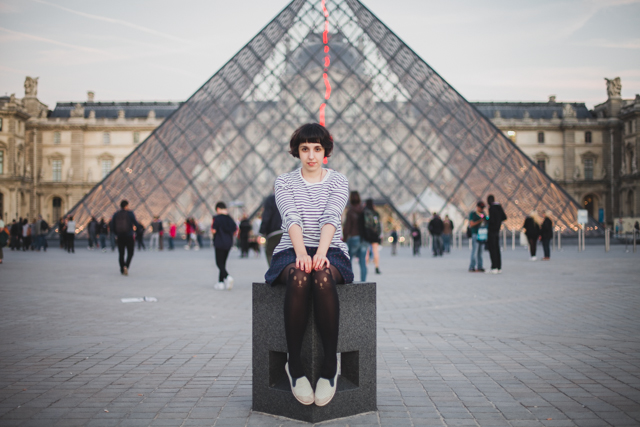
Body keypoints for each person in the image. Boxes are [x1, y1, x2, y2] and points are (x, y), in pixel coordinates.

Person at [264, 123, 353, 407]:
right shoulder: (284, 182)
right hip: (292, 249)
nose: (311, 155)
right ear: (297, 151)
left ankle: (329, 367)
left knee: (323, 277)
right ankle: (295, 367)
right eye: (305, 149)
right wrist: (302, 253)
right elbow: (291, 217)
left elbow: (331, 217)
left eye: (317, 148)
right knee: (301, 277)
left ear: (325, 150)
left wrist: (321, 253)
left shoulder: (339, 181)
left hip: (332, 249)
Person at [212, 202, 238, 290]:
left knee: (219, 263)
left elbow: (214, 230)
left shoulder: (217, 218)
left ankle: (227, 277)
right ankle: (221, 283)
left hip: (219, 242)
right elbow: (235, 230)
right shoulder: (230, 219)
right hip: (228, 243)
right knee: (223, 263)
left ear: (218, 209)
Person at [111, 200, 140, 276]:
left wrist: (116, 234)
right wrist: (137, 231)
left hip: (120, 236)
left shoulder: (116, 214)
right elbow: (136, 223)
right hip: (129, 236)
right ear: (126, 206)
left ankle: (122, 268)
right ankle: (126, 266)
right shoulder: (130, 213)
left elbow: (112, 225)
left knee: (121, 253)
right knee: (130, 253)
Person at [343, 191, 367, 281]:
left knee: (349, 261)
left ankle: (350, 280)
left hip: (353, 238)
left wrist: (344, 240)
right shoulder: (363, 210)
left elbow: (347, 227)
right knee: (362, 262)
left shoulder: (350, 211)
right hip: (364, 239)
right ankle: (363, 282)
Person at [259, 194, 283, 266]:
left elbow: (266, 217)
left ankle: (274, 272)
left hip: (273, 233)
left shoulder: (271, 199)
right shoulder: (292, 196)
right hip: (289, 232)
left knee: (270, 252)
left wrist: (262, 232)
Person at [486, 195, 507, 273]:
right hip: (497, 231)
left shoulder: (491, 208)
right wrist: (499, 222)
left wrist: (487, 220)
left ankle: (494, 267)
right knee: (497, 249)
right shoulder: (499, 207)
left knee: (492, 249)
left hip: (491, 231)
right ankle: (499, 267)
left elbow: (491, 220)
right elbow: (504, 217)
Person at [363, 198, 382, 274]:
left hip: (367, 234)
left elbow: (365, 224)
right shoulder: (375, 213)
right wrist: (378, 233)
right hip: (375, 235)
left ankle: (366, 267)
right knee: (376, 251)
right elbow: (379, 225)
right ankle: (377, 267)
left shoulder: (365, 212)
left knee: (366, 252)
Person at [468, 201, 486, 272]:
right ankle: (472, 266)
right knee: (475, 251)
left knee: (480, 251)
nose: (482, 209)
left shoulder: (483, 214)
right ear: (477, 207)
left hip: (482, 235)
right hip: (475, 233)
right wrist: (480, 221)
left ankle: (480, 266)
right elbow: (471, 224)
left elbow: (486, 220)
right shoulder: (473, 214)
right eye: (481, 208)